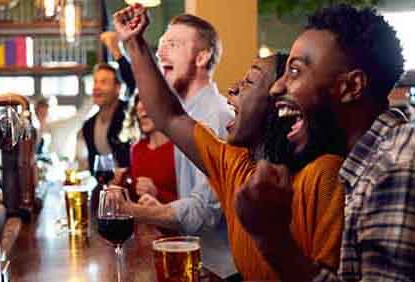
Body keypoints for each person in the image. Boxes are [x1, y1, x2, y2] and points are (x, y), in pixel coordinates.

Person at [113, 4, 346, 280]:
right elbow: (168, 115)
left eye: (249, 82)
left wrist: (270, 234)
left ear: (277, 102)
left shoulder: (324, 174)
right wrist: (133, 42)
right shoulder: (237, 164)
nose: (233, 89)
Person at [233, 4, 413, 282]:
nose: (276, 88)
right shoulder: (366, 164)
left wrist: (273, 239)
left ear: (351, 87)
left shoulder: (397, 163)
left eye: (294, 71)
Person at [113, 10, 238, 280]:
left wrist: (130, 211)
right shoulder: (188, 114)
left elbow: (205, 212)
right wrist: (133, 42)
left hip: (223, 272)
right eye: (161, 45)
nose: (161, 53)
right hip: (202, 264)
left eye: (173, 45)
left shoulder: (215, 117)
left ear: (202, 57)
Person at [81, 63, 131, 173]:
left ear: (117, 88)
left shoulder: (129, 116)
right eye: (95, 82)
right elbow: (93, 166)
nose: (96, 87)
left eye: (103, 82)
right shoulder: (88, 126)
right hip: (104, 186)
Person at [130, 95, 178, 204]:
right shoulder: (137, 149)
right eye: (139, 112)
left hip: (170, 219)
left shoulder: (179, 149)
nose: (142, 115)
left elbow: (192, 206)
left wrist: (156, 193)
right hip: (143, 218)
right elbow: (134, 196)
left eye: (146, 110)